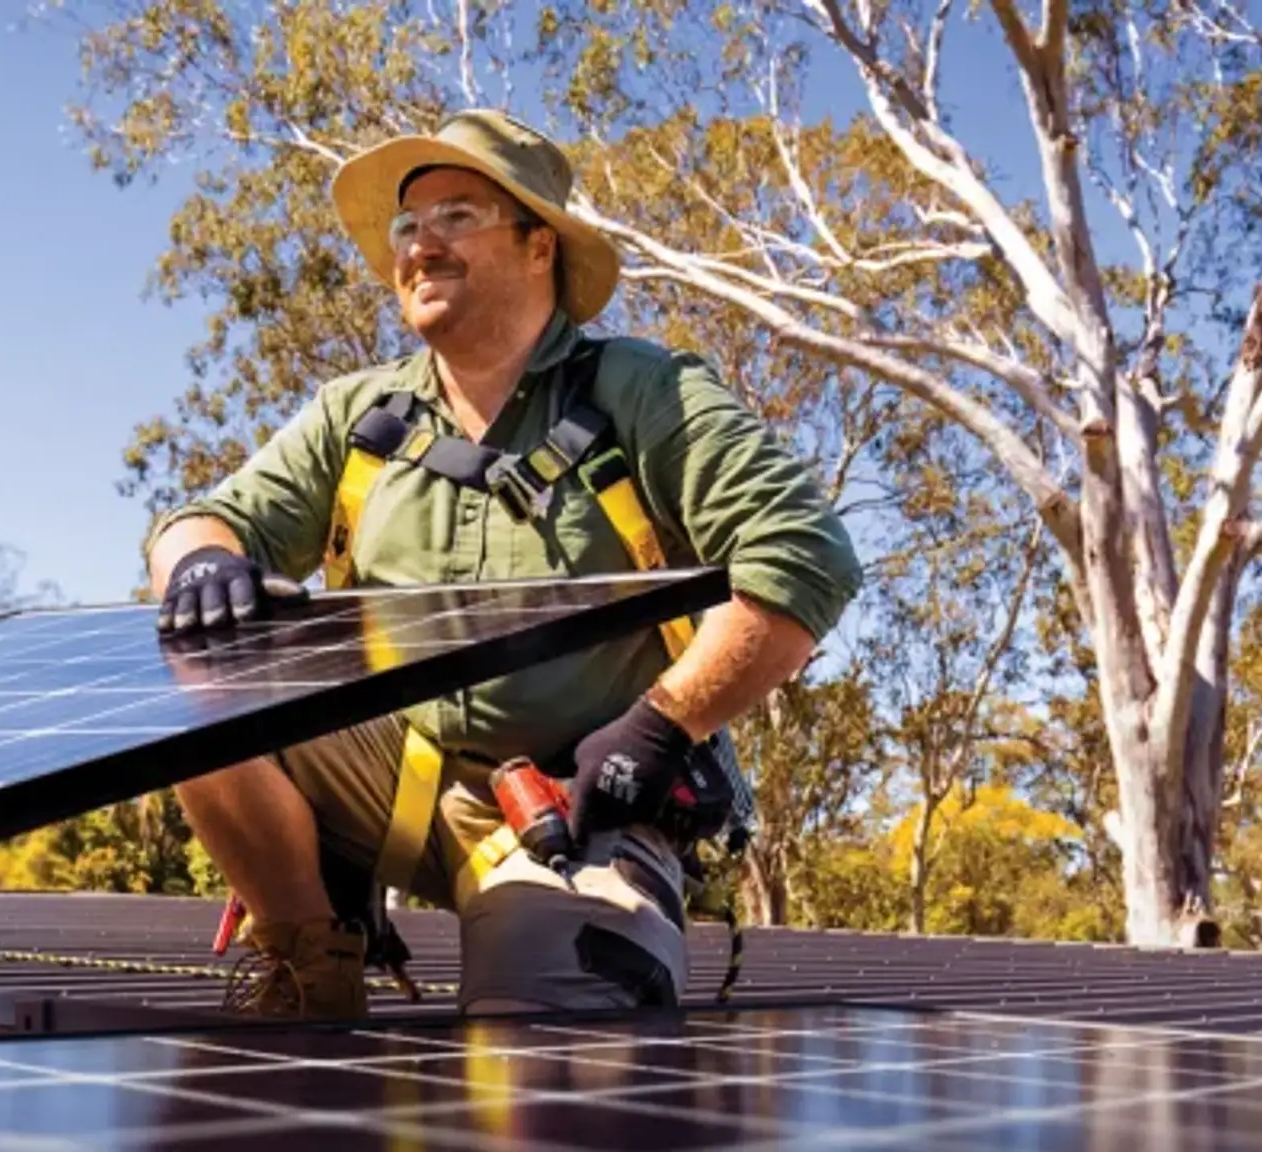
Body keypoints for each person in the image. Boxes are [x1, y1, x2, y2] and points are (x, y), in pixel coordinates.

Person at [142, 109, 861, 1019]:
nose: (420, 246)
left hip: (574, 798)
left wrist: (659, 728)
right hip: (394, 777)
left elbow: (804, 555)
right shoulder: (355, 413)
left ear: (539, 246)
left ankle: (572, 934)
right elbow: (203, 522)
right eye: (409, 226)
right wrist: (199, 562)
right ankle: (310, 959)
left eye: (457, 217)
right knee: (197, 661)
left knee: (558, 1056)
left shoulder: (645, 390)